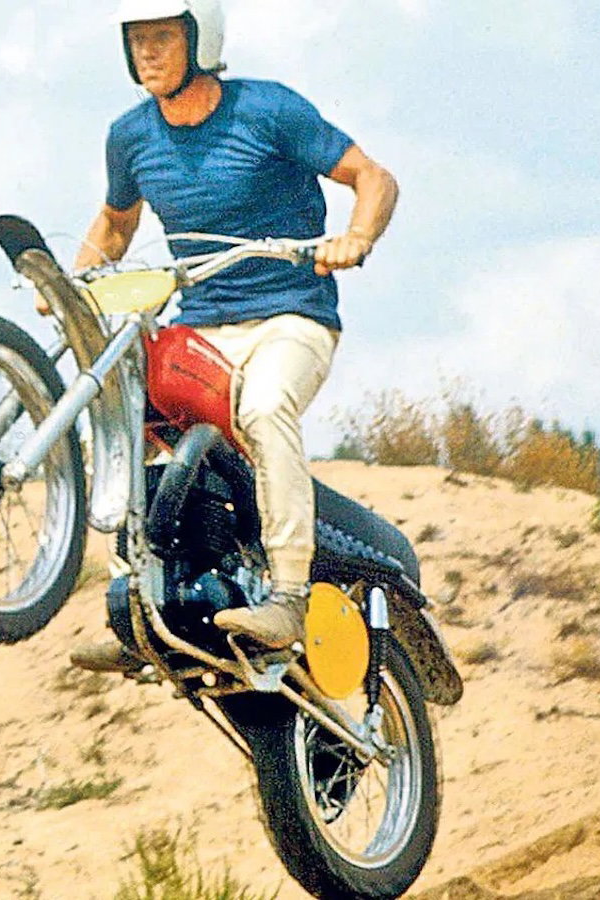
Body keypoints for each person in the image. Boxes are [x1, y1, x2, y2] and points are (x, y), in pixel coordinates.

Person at [70, 0, 399, 660]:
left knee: (266, 406)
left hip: (290, 317)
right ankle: (138, 603)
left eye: (162, 37)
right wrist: (77, 281)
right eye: (137, 41)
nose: (148, 53)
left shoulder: (267, 110)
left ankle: (288, 599)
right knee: (122, 416)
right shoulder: (130, 136)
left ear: (199, 40)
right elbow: (115, 223)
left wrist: (356, 236)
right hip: (202, 329)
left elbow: (372, 176)